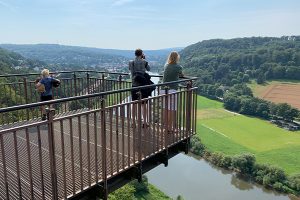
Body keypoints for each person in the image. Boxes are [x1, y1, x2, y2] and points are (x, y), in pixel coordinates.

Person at [161, 51, 184, 132]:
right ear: (177, 58)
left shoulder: (166, 65)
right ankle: (171, 128)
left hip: (163, 90)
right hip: (172, 90)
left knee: (165, 109)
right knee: (172, 110)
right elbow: (181, 75)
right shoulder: (178, 67)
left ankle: (165, 127)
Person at [129, 49, 151, 126]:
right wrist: (144, 59)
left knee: (134, 104)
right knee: (144, 104)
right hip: (143, 86)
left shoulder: (131, 62)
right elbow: (149, 69)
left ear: (135, 54)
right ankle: (144, 122)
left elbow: (131, 71)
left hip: (134, 85)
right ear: (141, 54)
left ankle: (133, 122)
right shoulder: (144, 61)